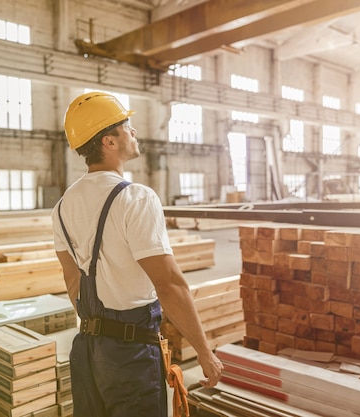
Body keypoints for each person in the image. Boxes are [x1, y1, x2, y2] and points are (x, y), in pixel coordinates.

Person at [51, 91, 223, 417]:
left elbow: (72, 280)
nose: (134, 132)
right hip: (130, 357)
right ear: (109, 142)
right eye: (126, 127)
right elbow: (170, 284)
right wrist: (204, 352)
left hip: (87, 350)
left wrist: (98, 326)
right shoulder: (136, 199)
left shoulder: (62, 207)